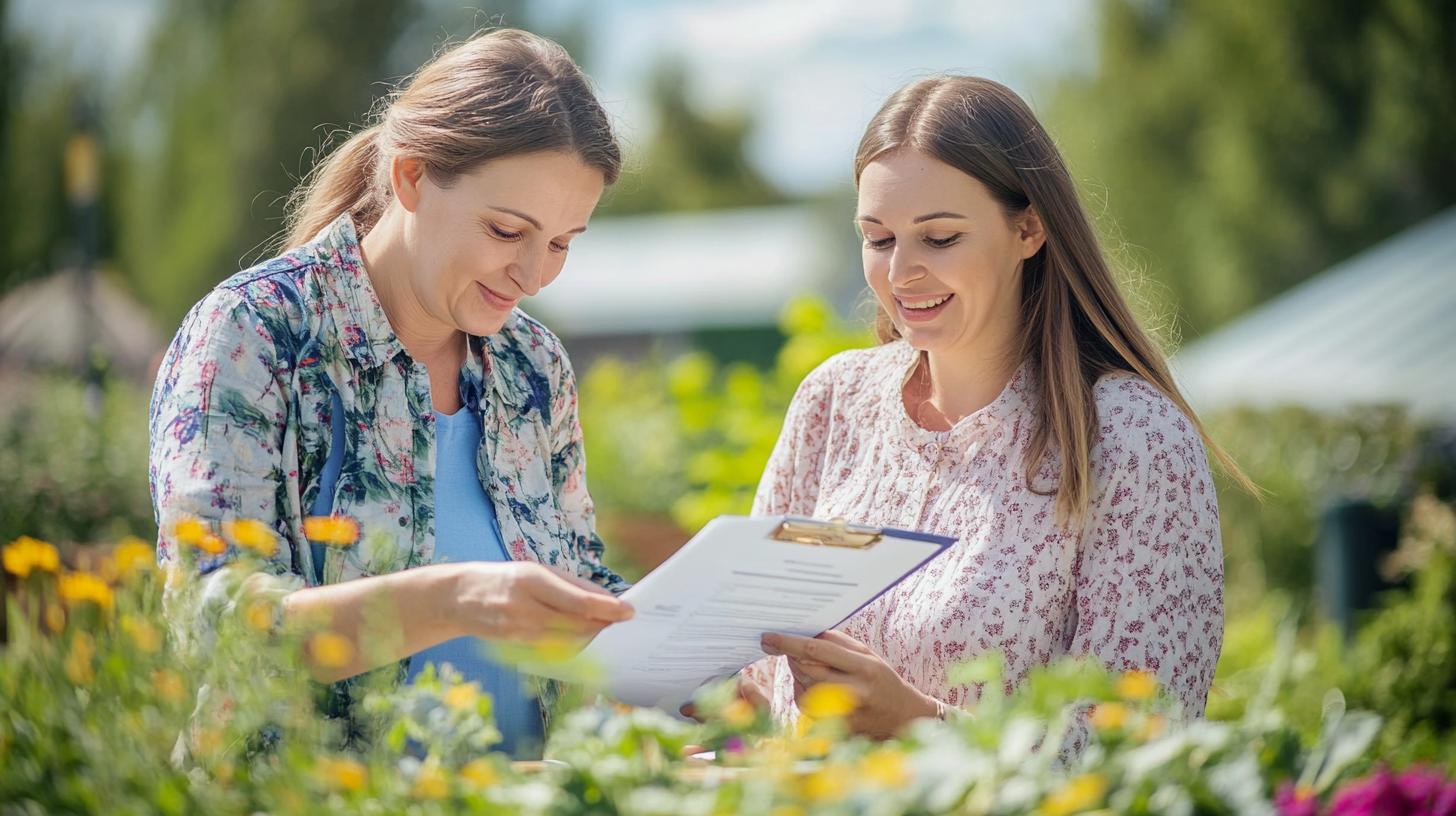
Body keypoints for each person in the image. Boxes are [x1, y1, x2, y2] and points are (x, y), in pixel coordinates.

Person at [148, 29, 634, 759]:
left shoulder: (534, 366)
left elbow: (579, 578)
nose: (534, 275)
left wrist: (694, 659)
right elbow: (212, 628)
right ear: (410, 178)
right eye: (508, 231)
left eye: (563, 242)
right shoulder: (256, 335)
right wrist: (453, 600)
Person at [744, 76, 1251, 740]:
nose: (900, 275)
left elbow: (1142, 746)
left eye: (941, 238)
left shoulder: (1134, 439)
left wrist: (918, 726)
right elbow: (752, 683)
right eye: (879, 238)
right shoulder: (832, 403)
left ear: (1029, 229)